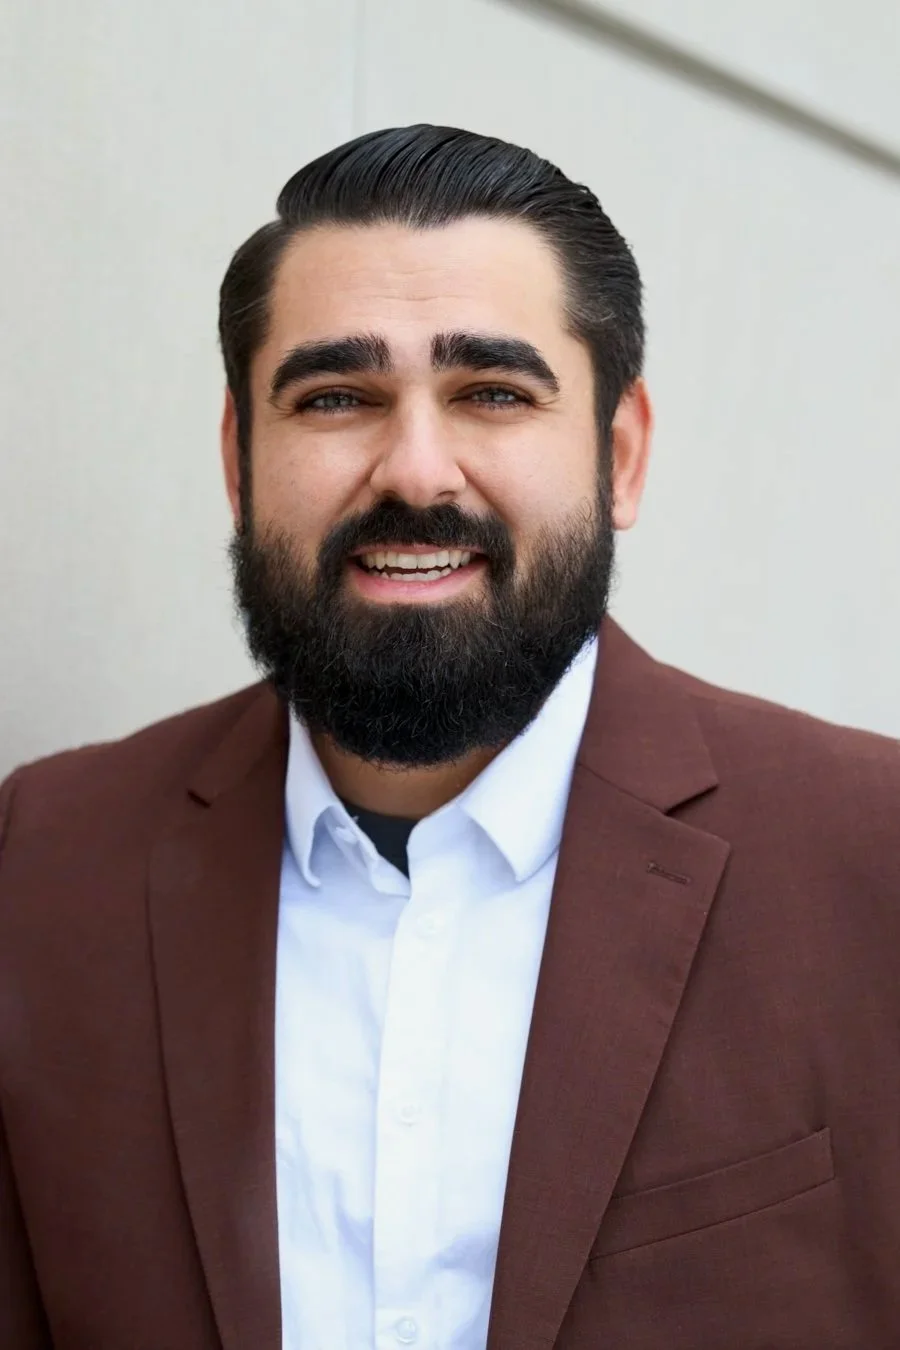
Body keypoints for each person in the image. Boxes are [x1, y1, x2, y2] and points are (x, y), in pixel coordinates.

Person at [1, 124, 898, 1350]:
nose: (415, 471)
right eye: (335, 397)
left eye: (492, 392)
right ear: (238, 459)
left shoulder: (871, 860)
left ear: (618, 454)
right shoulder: (44, 863)